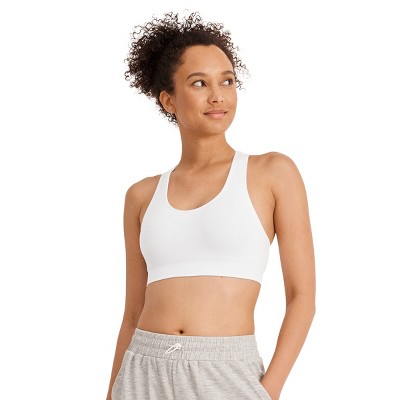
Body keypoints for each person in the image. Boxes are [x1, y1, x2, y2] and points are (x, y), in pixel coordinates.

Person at [106, 11, 316, 400]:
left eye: (228, 81)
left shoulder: (272, 173)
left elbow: (302, 297)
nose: (218, 95)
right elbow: (132, 312)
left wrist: (268, 392)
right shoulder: (141, 195)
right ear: (168, 100)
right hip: (141, 370)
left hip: (227, 372)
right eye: (199, 83)